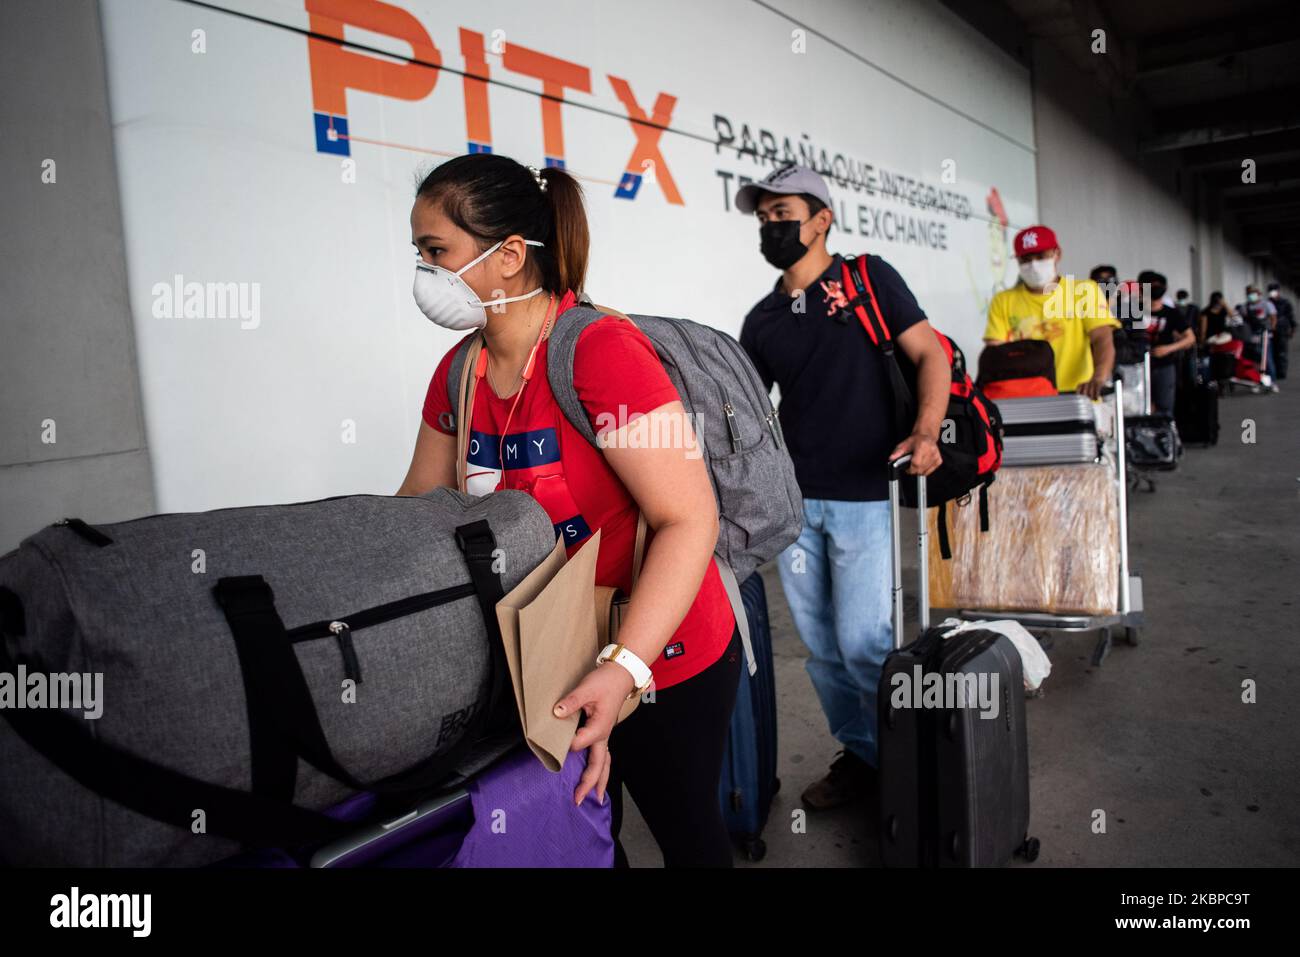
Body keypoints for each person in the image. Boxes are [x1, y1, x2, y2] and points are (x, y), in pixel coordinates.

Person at [398, 153, 741, 867]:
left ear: (511, 257)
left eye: (438, 252)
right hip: (551, 652)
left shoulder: (599, 353)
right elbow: (417, 508)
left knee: (686, 833)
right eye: (419, 253)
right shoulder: (459, 371)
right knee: (585, 835)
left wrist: (622, 669)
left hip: (660, 651)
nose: (424, 274)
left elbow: (690, 518)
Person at [735, 165, 948, 809]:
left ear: (821, 219)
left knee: (864, 646)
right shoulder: (763, 320)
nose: (772, 226)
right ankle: (866, 758)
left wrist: (928, 429)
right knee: (822, 653)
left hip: (866, 496)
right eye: (764, 217)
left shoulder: (867, 280)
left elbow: (930, 354)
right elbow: (748, 417)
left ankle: (907, 765)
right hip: (798, 508)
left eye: (784, 214)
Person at [985, 226, 1119, 397]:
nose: (1033, 265)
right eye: (1025, 259)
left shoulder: (1084, 291)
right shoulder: (1003, 301)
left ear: (1057, 254)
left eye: (1041, 257)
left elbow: (1102, 338)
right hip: (1024, 401)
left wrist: (1098, 379)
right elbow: (995, 354)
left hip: (1077, 397)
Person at [1135, 270, 1196, 415]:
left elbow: (1190, 338)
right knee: (1137, 406)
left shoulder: (1171, 313)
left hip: (1163, 365)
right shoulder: (1131, 310)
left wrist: (1168, 349)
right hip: (1137, 366)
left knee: (1164, 407)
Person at [1237, 284, 1279, 389]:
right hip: (1251, 336)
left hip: (1264, 334)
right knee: (1255, 361)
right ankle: (1257, 381)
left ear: (1258, 293)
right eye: (1249, 293)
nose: (1251, 295)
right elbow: (1241, 320)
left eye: (1253, 293)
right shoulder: (1245, 307)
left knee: (1267, 360)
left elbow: (1273, 317)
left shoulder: (1266, 304)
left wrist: (1272, 329)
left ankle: (1272, 382)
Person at [1267, 282, 1294, 381]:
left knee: (1282, 352)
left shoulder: (1285, 302)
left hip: (1282, 329)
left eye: (1274, 291)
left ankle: (1281, 372)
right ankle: (1274, 371)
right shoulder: (1268, 303)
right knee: (1273, 351)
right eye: (1270, 291)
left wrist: (1292, 328)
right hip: (1271, 329)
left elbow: (1290, 316)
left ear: (1278, 291)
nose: (1272, 293)